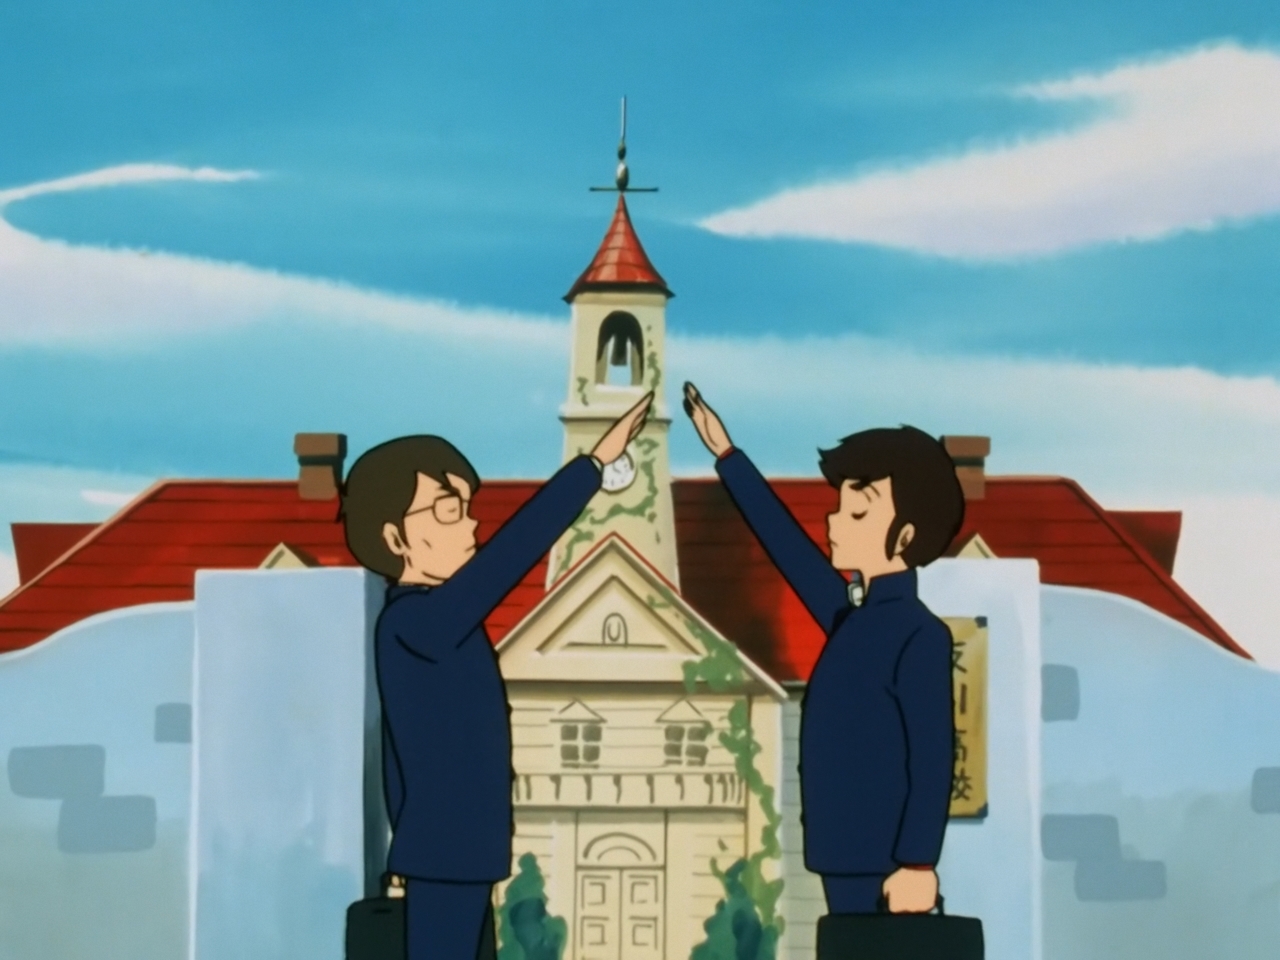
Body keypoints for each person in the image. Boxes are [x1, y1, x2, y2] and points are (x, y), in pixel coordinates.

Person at [341, 392, 652, 960]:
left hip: (457, 856)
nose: (470, 521)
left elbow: (399, 751)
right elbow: (510, 555)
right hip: (446, 858)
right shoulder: (418, 623)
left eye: (465, 505)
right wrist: (591, 467)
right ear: (395, 539)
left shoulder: (438, 625)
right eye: (446, 509)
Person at [682, 382, 963, 915]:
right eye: (840, 507)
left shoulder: (920, 635)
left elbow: (933, 758)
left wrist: (919, 862)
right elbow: (788, 547)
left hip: (888, 867)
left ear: (905, 536)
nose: (834, 521)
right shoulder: (850, 618)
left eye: (858, 514)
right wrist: (726, 453)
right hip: (840, 853)